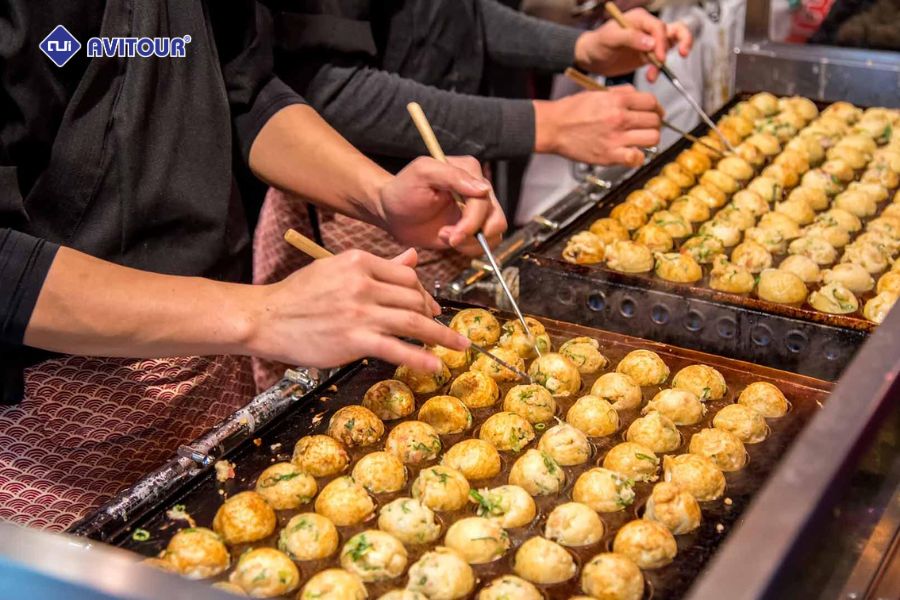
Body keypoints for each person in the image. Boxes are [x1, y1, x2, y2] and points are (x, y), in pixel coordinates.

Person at [0, 0, 505, 531]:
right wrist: (263, 314)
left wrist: (379, 196)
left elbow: (242, 89)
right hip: (46, 415)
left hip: (214, 354)